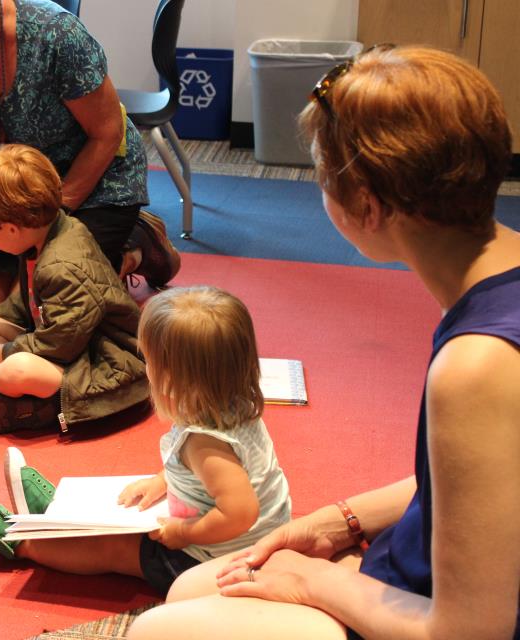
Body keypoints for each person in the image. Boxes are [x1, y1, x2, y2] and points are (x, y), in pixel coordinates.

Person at [126, 45, 520, 640]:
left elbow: (468, 632)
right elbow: (478, 477)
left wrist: (321, 582)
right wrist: (339, 522)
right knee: (190, 587)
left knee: (156, 631)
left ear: (367, 205)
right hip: (423, 571)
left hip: (439, 612)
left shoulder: (478, 363)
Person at [0, 285, 292, 596]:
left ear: (174, 378)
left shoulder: (204, 444)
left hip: (213, 558)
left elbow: (240, 513)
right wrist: (163, 480)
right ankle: (57, 513)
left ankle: (20, 541)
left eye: (150, 362)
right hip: (253, 538)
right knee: (127, 516)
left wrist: (183, 534)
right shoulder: (229, 401)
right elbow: (228, 475)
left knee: (113, 547)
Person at [0, 0, 180, 327]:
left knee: (39, 315)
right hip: (6, 191)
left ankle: (135, 244)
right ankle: (101, 258)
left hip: (89, 182)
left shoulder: (57, 35)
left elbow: (107, 133)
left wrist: (49, 221)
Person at [0, 143, 149, 435]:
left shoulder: (62, 266)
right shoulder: (44, 235)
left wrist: (5, 353)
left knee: (18, 368)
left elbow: (59, 344)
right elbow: (26, 304)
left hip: (110, 372)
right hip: (76, 351)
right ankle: (22, 398)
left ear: (11, 229)